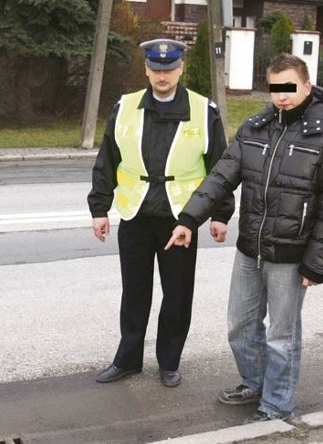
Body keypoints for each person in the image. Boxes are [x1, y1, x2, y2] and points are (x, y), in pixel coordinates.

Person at [166, 53, 323, 423]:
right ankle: (255, 381)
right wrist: (189, 219)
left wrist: (317, 263)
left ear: (306, 86)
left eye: (290, 88)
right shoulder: (255, 128)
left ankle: (277, 403)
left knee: (282, 335)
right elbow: (221, 177)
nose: (282, 96)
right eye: (275, 88)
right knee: (240, 324)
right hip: (250, 247)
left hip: (290, 253)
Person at [87, 38, 234, 388]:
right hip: (136, 215)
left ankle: (169, 362)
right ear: (146, 70)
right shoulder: (125, 106)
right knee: (134, 292)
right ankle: (127, 360)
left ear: (180, 68)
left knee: (177, 294)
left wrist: (220, 214)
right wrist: (99, 208)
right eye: (156, 69)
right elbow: (107, 160)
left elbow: (221, 169)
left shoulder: (203, 110)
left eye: (169, 69)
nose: (162, 76)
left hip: (179, 220)